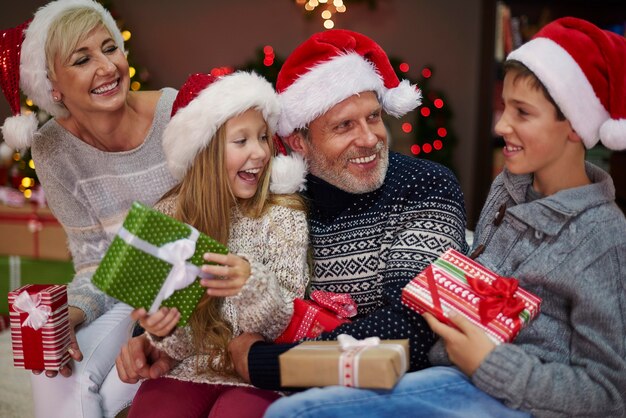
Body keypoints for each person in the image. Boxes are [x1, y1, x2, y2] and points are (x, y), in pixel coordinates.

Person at [263, 17, 626, 418]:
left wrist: (488, 364)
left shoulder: (603, 237)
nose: (500, 124)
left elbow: (611, 394)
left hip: (495, 389)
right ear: (299, 141)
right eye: (504, 108)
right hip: (451, 374)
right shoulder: (509, 191)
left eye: (521, 113)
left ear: (574, 126)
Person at [117, 29, 469, 394]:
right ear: (300, 141)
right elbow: (197, 258)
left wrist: (267, 363)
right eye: (344, 125)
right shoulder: (268, 197)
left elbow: (418, 325)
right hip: (267, 380)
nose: (368, 138)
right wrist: (151, 337)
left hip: (381, 391)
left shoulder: (425, 186)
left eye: (374, 116)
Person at [0, 0, 178, 416]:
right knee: (53, 362)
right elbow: (94, 262)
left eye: (109, 48)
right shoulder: (51, 148)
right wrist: (69, 316)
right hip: (123, 286)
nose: (107, 67)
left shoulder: (173, 113)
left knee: (115, 388)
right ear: (52, 86)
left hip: (188, 286)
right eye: (83, 59)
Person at [124, 70, 310, 418]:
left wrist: (251, 285)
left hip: (259, 373)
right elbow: (176, 347)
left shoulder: (284, 214)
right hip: (189, 367)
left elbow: (285, 324)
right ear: (204, 151)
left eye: (263, 137)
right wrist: (160, 330)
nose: (259, 152)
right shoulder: (166, 215)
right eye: (241, 141)